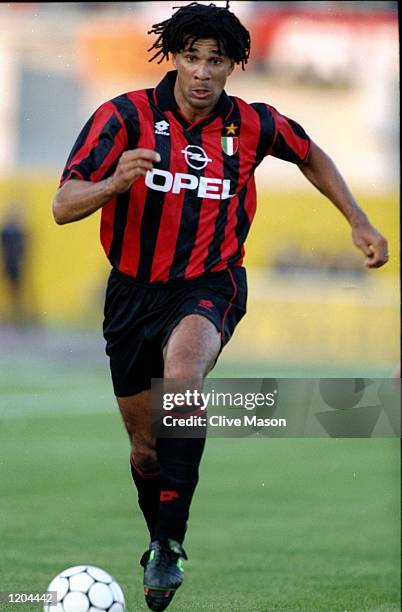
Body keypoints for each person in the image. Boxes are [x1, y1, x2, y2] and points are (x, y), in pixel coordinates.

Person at [52, 2, 389, 610]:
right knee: (145, 447)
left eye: (217, 61)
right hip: (130, 293)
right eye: (192, 58)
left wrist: (358, 219)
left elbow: (310, 152)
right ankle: (159, 537)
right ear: (173, 57)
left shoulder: (253, 125)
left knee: (181, 378)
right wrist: (112, 184)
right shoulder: (123, 116)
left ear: (234, 65)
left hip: (211, 282)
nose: (203, 73)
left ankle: (171, 545)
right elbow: (63, 204)